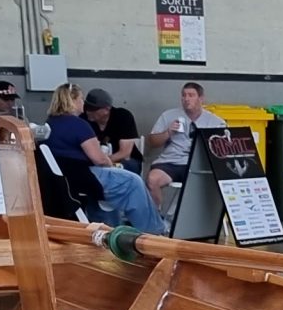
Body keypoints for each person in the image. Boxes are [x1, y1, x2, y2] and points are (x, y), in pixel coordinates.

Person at [43, 82, 164, 233]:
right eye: (81, 99)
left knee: (119, 182)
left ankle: (111, 225)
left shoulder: (50, 124)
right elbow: (99, 159)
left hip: (63, 179)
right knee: (133, 182)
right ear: (73, 101)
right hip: (83, 177)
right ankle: (153, 231)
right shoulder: (79, 125)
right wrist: (110, 164)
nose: (83, 104)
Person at [145, 81, 221, 200]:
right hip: (171, 162)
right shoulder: (169, 115)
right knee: (152, 180)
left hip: (199, 165)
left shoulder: (215, 122)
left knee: (216, 182)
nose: (186, 99)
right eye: (184, 95)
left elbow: (222, 150)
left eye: (191, 95)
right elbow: (153, 142)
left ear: (201, 99)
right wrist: (168, 132)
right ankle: (156, 216)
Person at [83, 88, 142, 168]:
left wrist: (103, 161)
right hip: (95, 161)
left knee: (126, 167)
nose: (88, 111)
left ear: (107, 109)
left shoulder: (123, 117)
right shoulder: (83, 119)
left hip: (124, 161)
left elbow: (125, 152)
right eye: (86, 107)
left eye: (93, 109)